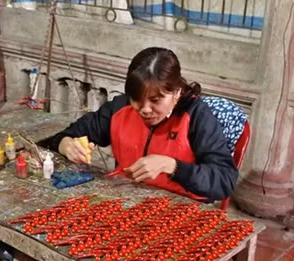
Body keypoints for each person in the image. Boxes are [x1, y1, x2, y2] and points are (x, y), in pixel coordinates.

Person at [43, 47, 238, 202]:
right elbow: (64, 136)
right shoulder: (120, 108)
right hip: (127, 202)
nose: (145, 109)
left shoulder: (196, 116)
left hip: (182, 211)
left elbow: (224, 180)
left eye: (155, 100)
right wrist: (65, 144)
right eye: (136, 99)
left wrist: (172, 166)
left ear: (176, 93)